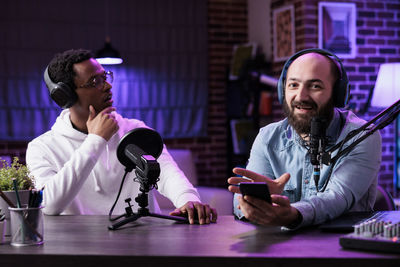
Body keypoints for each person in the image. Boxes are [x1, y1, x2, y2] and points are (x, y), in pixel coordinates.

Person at [26, 49, 217, 225]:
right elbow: (49, 205)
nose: (108, 86)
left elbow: (166, 173)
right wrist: (96, 140)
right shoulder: (41, 148)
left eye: (105, 77)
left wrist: (188, 200)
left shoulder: (134, 129)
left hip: (142, 241)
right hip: (79, 246)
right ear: (65, 96)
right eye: (95, 81)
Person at [227, 48, 381, 229]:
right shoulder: (268, 138)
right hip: (280, 250)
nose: (301, 96)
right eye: (293, 85)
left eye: (315, 86)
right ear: (282, 90)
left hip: (343, 249)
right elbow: (241, 200)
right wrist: (253, 202)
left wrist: (292, 214)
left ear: (337, 94)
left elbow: (337, 197)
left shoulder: (362, 136)